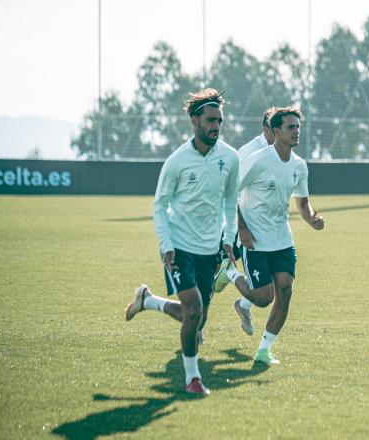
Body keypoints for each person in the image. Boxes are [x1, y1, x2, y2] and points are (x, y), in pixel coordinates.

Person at [123, 88, 239, 395]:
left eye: (220, 121)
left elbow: (230, 202)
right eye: (211, 120)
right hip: (180, 248)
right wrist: (166, 245)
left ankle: (149, 301)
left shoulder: (231, 158)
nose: (216, 126)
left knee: (195, 317)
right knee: (194, 308)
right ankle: (193, 379)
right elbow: (159, 205)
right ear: (194, 121)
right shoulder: (176, 161)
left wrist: (228, 240)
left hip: (210, 249)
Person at [220, 106, 324, 366]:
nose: (296, 131)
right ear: (276, 131)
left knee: (285, 292)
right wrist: (241, 228)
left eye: (298, 127)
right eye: (291, 127)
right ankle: (229, 273)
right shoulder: (260, 159)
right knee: (264, 297)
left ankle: (264, 350)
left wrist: (311, 218)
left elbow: (302, 203)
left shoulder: (299, 166)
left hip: (282, 240)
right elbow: (231, 192)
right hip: (254, 239)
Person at [213, 106, 278, 298]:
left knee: (278, 268)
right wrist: (241, 227)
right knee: (214, 270)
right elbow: (230, 190)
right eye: (276, 128)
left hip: (261, 221)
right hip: (236, 220)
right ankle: (196, 320)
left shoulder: (279, 152)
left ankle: (242, 304)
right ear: (266, 130)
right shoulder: (252, 152)